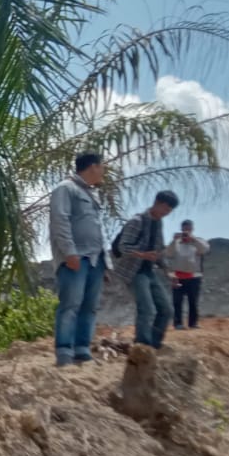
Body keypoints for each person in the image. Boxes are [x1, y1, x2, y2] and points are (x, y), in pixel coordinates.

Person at [48, 152, 109, 367]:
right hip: (76, 258)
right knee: (70, 305)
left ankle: (82, 350)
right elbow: (60, 221)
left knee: (89, 307)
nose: (104, 171)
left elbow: (96, 230)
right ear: (92, 166)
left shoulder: (93, 194)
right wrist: (69, 253)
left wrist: (105, 262)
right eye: (102, 167)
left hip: (95, 259)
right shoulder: (66, 189)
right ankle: (64, 352)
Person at [113, 190, 180, 350]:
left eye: (169, 211)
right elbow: (123, 247)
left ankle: (154, 345)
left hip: (149, 271)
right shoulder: (137, 221)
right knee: (147, 309)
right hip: (133, 271)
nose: (166, 213)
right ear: (157, 202)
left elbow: (158, 251)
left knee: (166, 309)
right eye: (165, 208)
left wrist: (168, 272)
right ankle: (142, 346)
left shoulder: (158, 223)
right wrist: (142, 254)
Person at [166, 220, 210, 329]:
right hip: (178, 276)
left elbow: (205, 249)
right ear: (181, 229)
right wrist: (173, 240)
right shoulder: (176, 243)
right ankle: (178, 323)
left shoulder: (198, 241)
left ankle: (193, 323)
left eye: (188, 229)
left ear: (192, 229)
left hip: (194, 276)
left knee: (193, 301)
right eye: (184, 229)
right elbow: (168, 253)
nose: (186, 231)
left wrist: (193, 239)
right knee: (177, 301)